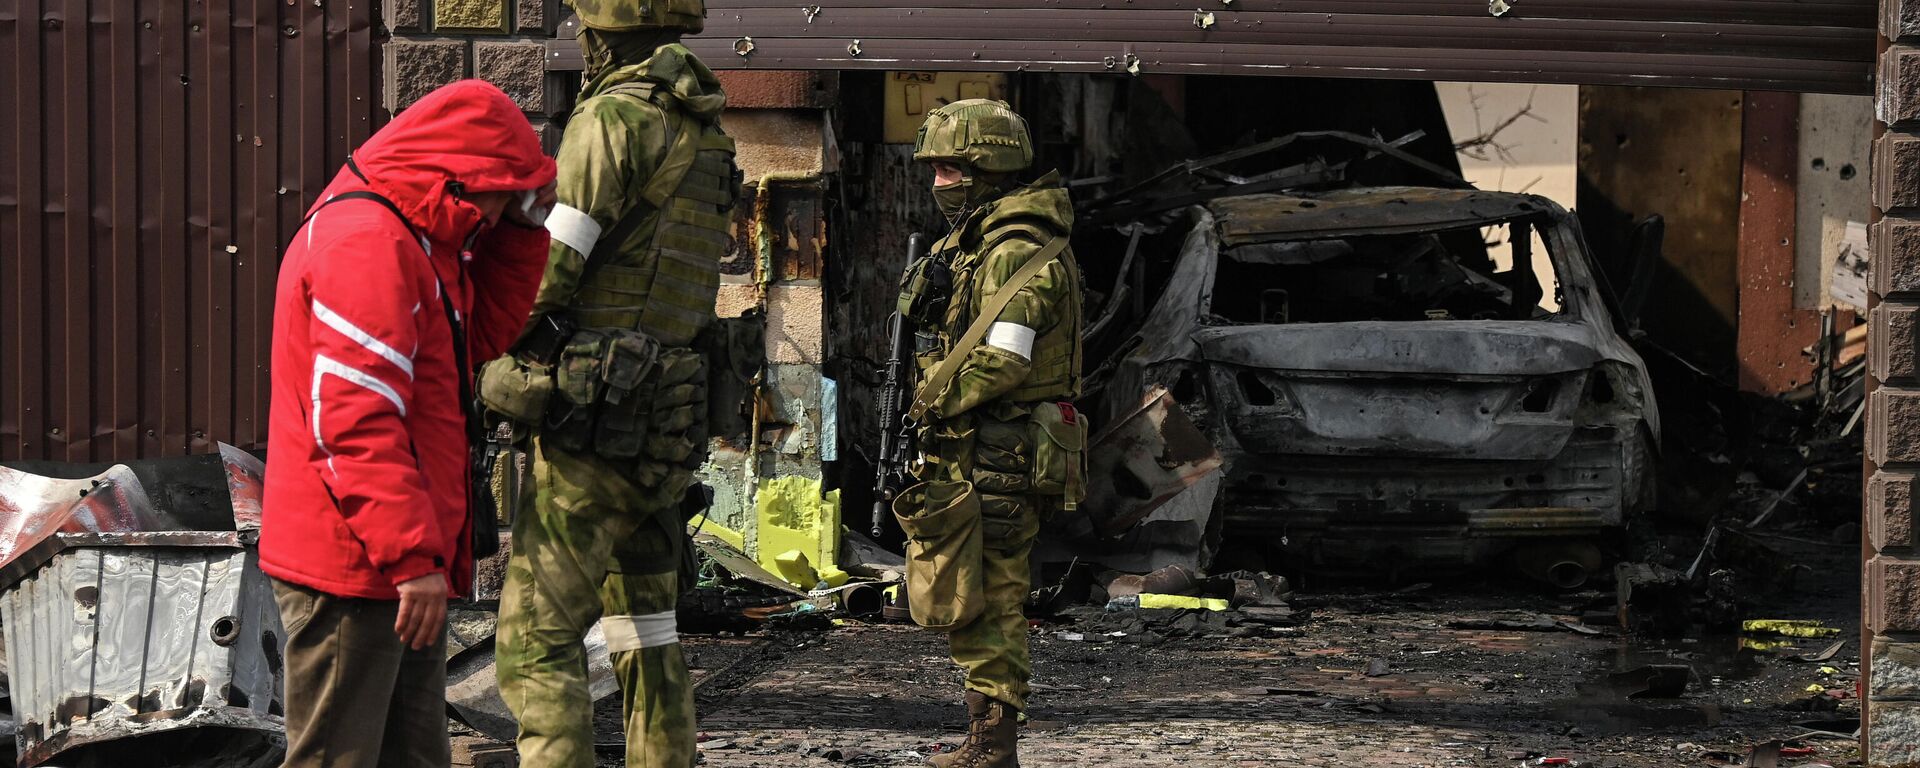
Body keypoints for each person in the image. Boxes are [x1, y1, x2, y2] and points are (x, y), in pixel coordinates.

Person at [260, 80, 557, 768]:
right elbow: (354, 423)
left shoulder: (418, 239)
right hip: (358, 568)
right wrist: (411, 560)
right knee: (338, 759)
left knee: (412, 756)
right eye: (501, 193)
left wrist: (522, 232)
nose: (498, 210)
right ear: (461, 178)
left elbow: (478, 339)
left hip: (386, 562)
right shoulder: (369, 246)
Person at [486, 0, 735, 766]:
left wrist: (485, 344)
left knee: (537, 639)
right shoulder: (706, 131)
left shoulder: (611, 121)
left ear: (602, 31)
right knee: (647, 632)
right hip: (665, 421)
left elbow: (550, 268)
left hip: (592, 425)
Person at [896, 99, 1086, 768]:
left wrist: (929, 403)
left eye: (949, 170)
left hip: (1001, 445)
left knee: (991, 590)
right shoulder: (979, 243)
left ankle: (993, 744)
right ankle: (986, 737)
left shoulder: (1016, 252)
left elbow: (1004, 360)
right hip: (982, 441)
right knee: (973, 586)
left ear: (987, 169)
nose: (938, 184)